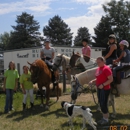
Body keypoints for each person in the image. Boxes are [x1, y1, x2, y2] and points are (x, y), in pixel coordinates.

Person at [89, 57, 113, 125]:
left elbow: (111, 79)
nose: (98, 64)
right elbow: (98, 78)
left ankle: (106, 119)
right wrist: (92, 81)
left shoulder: (106, 69)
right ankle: (104, 118)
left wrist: (103, 84)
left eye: (99, 62)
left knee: (104, 104)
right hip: (99, 89)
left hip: (105, 89)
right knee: (101, 103)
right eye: (97, 62)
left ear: (103, 61)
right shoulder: (98, 69)